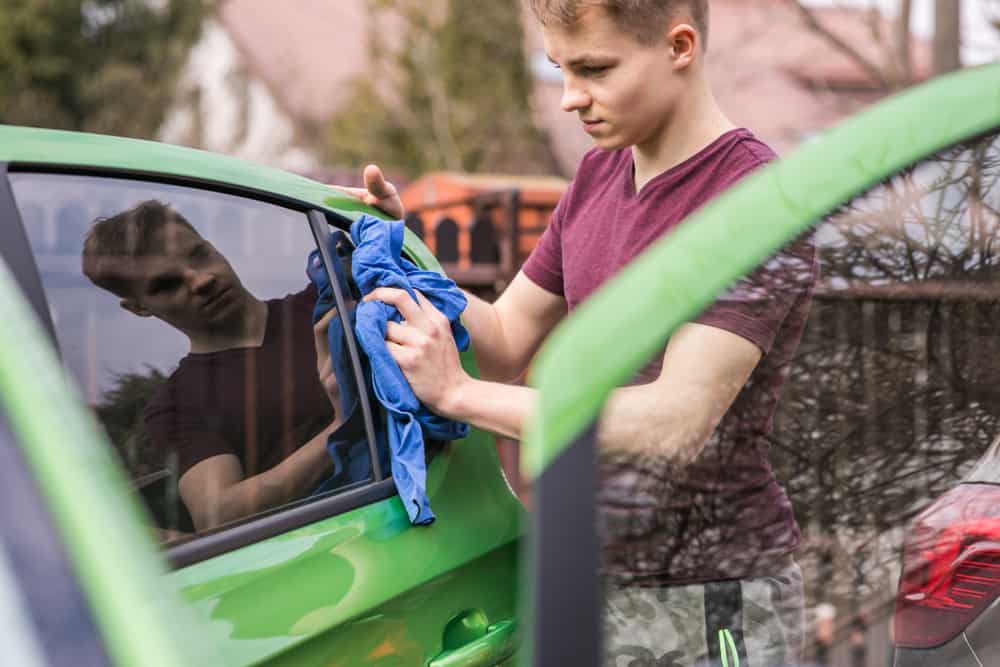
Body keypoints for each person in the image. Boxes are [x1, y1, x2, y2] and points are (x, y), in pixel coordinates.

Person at [340, 1, 817, 664]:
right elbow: (505, 333)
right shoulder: (598, 175)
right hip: (592, 578)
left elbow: (671, 424)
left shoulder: (753, 202)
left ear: (680, 46)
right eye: (559, 68)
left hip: (711, 594)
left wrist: (458, 394)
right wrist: (408, 259)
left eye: (594, 69)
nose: (569, 99)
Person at [82, 200, 345, 532]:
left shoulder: (323, 302)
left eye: (199, 255)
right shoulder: (177, 405)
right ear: (138, 308)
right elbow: (218, 514)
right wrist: (341, 430)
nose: (201, 280)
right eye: (167, 283)